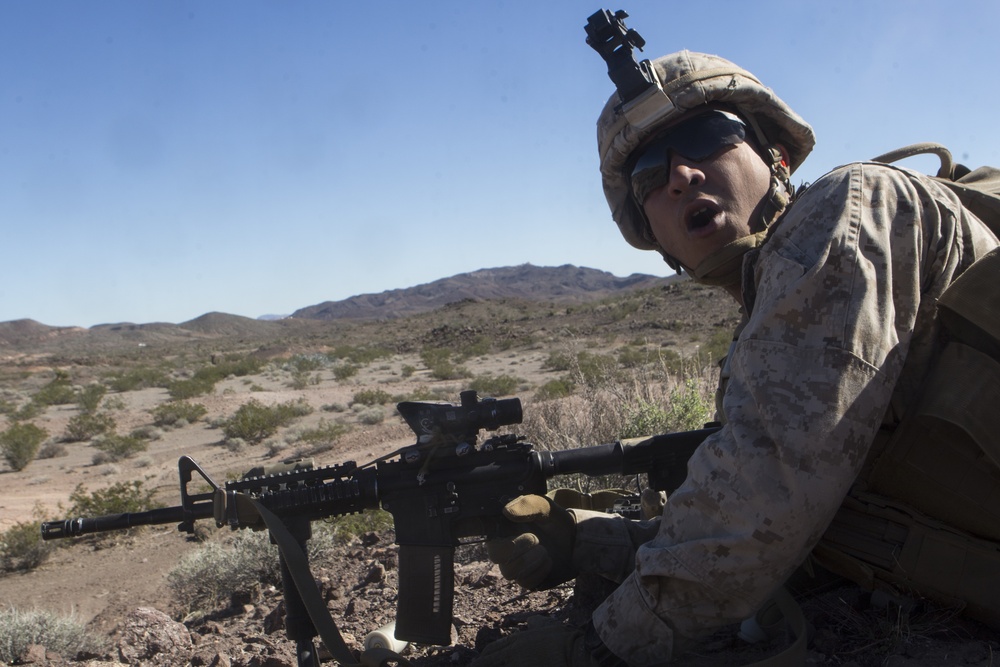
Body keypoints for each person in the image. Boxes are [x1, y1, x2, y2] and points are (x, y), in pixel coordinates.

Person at [472, 48, 1000, 666]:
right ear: (651, 232)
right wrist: (586, 539)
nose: (681, 176)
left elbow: (766, 495)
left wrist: (598, 646)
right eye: (649, 174)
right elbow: (795, 524)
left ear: (774, 157)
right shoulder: (767, 328)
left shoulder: (850, 207)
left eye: (706, 138)